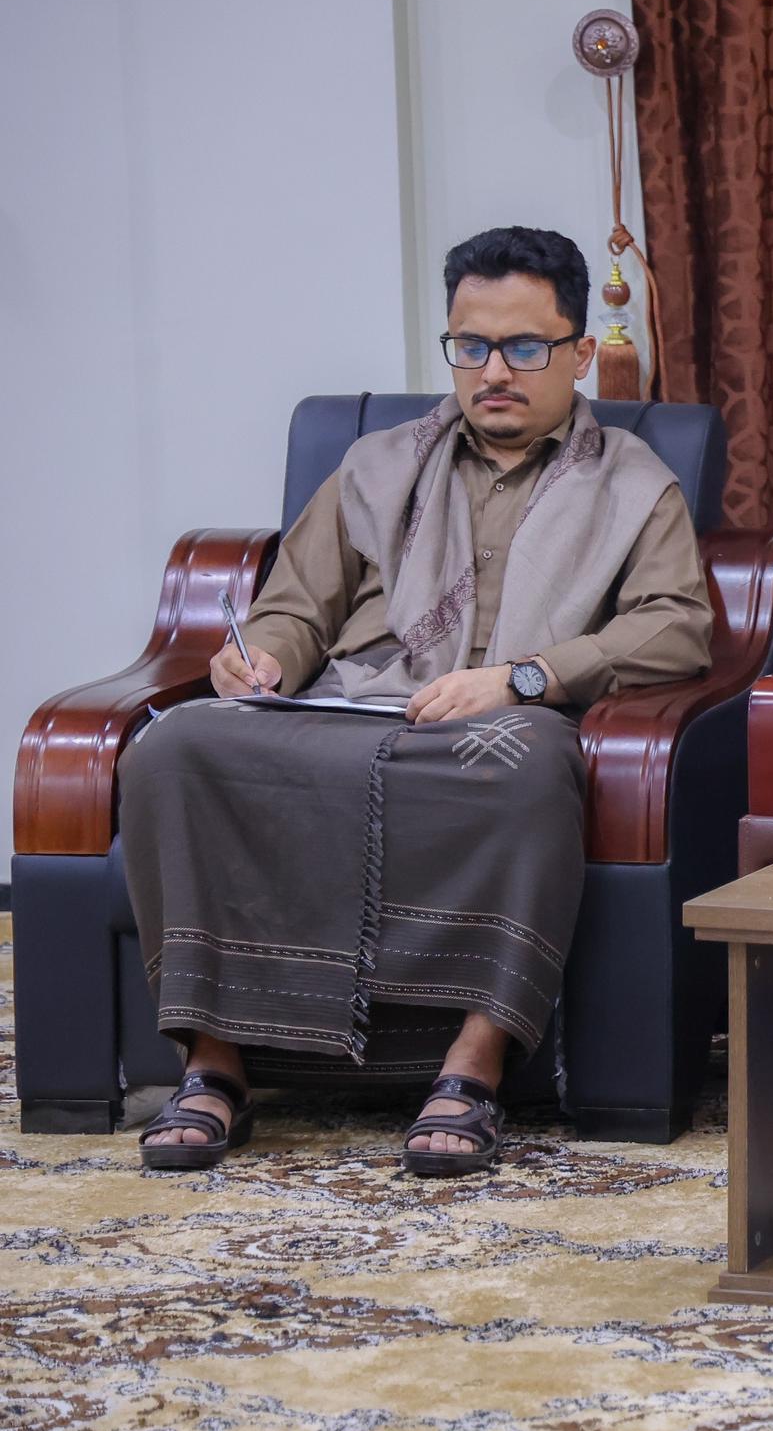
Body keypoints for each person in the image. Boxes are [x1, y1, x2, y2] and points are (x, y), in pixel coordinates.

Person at [121, 226, 713, 1177]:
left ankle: (473, 1063)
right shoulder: (378, 465)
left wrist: (524, 678)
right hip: (352, 709)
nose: (494, 372)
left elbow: (676, 627)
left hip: (493, 730)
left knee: (531, 765)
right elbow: (294, 610)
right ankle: (215, 1062)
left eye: (524, 347)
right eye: (471, 345)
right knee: (174, 745)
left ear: (577, 354)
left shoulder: (632, 483)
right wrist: (261, 660)